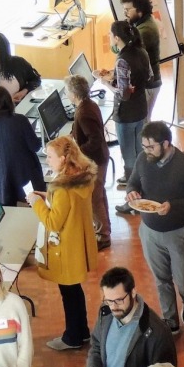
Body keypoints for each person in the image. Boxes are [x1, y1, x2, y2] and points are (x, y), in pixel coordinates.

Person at [125, 121, 184, 334]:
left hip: (177, 232)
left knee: (183, 277)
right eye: (143, 146)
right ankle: (170, 320)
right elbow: (133, 182)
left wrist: (173, 206)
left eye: (150, 147)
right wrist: (132, 192)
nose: (146, 151)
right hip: (149, 231)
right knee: (161, 279)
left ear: (166, 144)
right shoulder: (143, 159)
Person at [27, 136, 98, 351]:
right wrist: (46, 197)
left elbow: (53, 222)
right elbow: (65, 207)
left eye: (50, 156)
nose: (47, 160)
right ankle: (82, 332)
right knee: (75, 290)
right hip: (78, 244)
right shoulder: (80, 177)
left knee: (69, 293)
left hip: (65, 249)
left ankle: (72, 337)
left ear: (64, 158)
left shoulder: (62, 188)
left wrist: (36, 204)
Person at [85, 267, 178, 367]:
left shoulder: (157, 332)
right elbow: (96, 344)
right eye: (108, 300)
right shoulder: (105, 312)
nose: (113, 307)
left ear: (133, 292)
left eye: (119, 300)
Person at [97, 21, 151, 199]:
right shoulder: (141, 51)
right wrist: (118, 77)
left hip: (126, 113)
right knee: (140, 150)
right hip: (141, 108)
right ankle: (142, 182)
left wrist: (106, 82)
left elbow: (123, 94)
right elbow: (148, 76)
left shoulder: (122, 60)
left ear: (117, 38)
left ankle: (132, 193)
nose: (109, 37)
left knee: (128, 155)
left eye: (110, 35)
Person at [65, 75, 111, 250]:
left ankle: (103, 237)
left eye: (68, 91)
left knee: (94, 199)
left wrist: (78, 151)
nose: (66, 94)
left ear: (74, 94)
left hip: (96, 161)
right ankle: (105, 229)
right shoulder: (87, 105)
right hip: (101, 158)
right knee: (99, 195)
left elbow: (95, 140)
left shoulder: (83, 113)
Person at [0, 86, 45, 207]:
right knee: (37, 207)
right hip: (25, 174)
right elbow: (35, 147)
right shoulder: (20, 120)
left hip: (0, 175)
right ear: (8, 101)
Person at [120, 0, 163, 114]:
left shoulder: (145, 30)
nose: (125, 13)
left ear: (140, 10)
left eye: (128, 10)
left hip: (149, 85)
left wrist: (117, 38)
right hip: (148, 82)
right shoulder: (143, 23)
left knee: (142, 124)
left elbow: (126, 52)